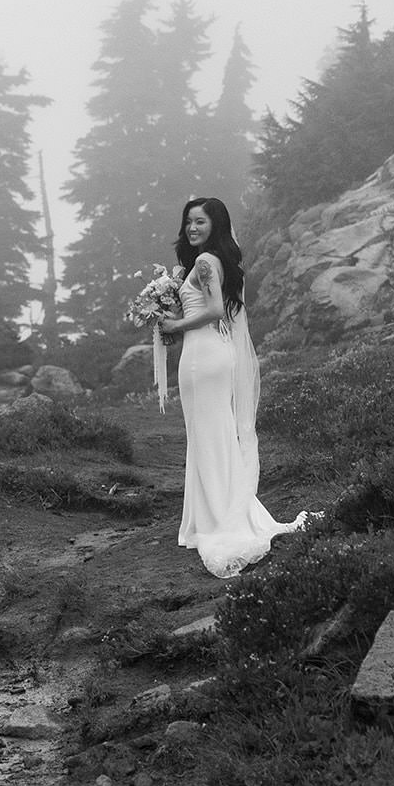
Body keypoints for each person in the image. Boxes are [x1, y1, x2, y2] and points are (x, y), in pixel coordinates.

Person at [159, 196, 306, 578]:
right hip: (207, 353)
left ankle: (217, 520)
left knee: (209, 433)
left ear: (216, 226)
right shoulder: (203, 263)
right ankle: (208, 516)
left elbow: (213, 311)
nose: (192, 228)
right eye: (188, 221)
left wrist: (174, 326)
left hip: (204, 356)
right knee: (210, 432)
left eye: (200, 222)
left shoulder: (206, 263)